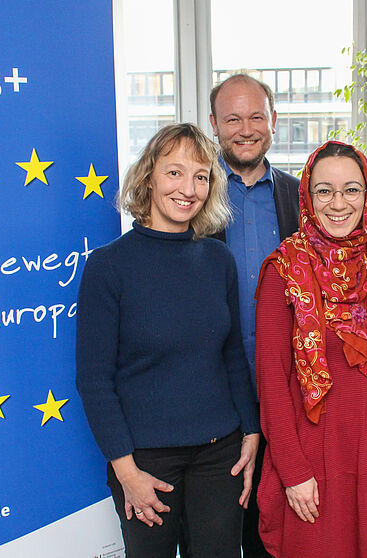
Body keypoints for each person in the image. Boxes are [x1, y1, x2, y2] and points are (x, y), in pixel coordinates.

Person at [75, 123, 261, 558]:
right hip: (145, 462)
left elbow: (232, 355)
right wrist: (126, 471)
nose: (189, 188)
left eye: (201, 176)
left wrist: (251, 430)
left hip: (221, 456)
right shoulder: (108, 267)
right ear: (149, 177)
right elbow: (94, 380)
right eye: (175, 172)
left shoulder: (218, 259)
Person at [255, 141, 367, 558]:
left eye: (351, 189)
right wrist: (292, 471)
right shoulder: (283, 269)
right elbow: (272, 381)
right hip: (314, 453)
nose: (338, 203)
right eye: (324, 190)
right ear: (307, 197)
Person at [208, 73, 300, 557]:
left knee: (276, 535)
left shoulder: (302, 197)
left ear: (273, 121)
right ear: (214, 125)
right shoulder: (190, 196)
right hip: (214, 401)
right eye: (233, 118)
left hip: (287, 398)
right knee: (219, 536)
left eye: (256, 116)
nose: (246, 128)